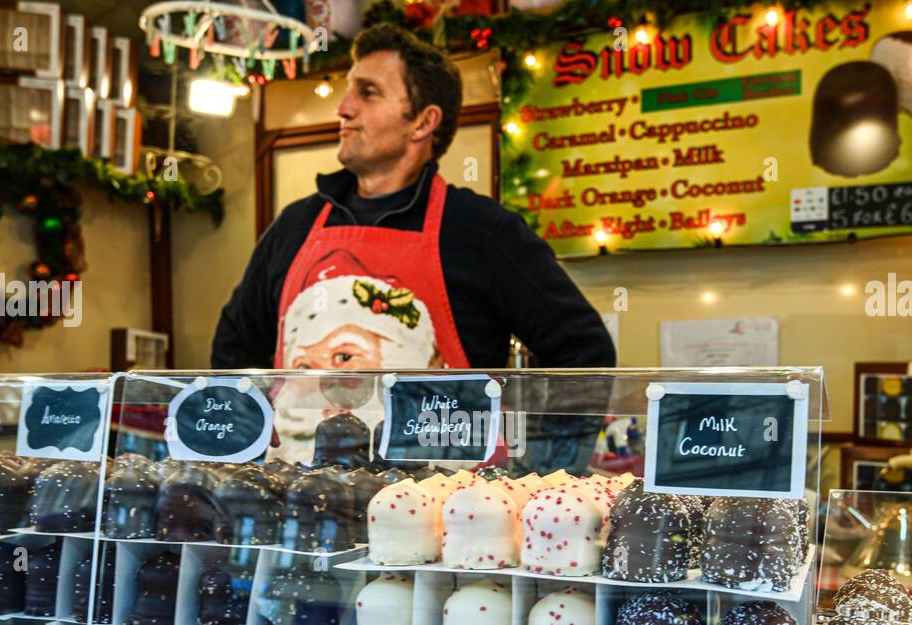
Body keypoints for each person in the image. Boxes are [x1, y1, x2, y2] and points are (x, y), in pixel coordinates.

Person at [210, 23, 614, 466]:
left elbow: (583, 350)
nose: (344, 109)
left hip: (443, 515)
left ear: (423, 121)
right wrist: (240, 470)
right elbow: (235, 351)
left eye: (367, 93)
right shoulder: (295, 226)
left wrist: (543, 476)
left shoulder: (482, 231)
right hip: (301, 509)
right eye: (348, 92)